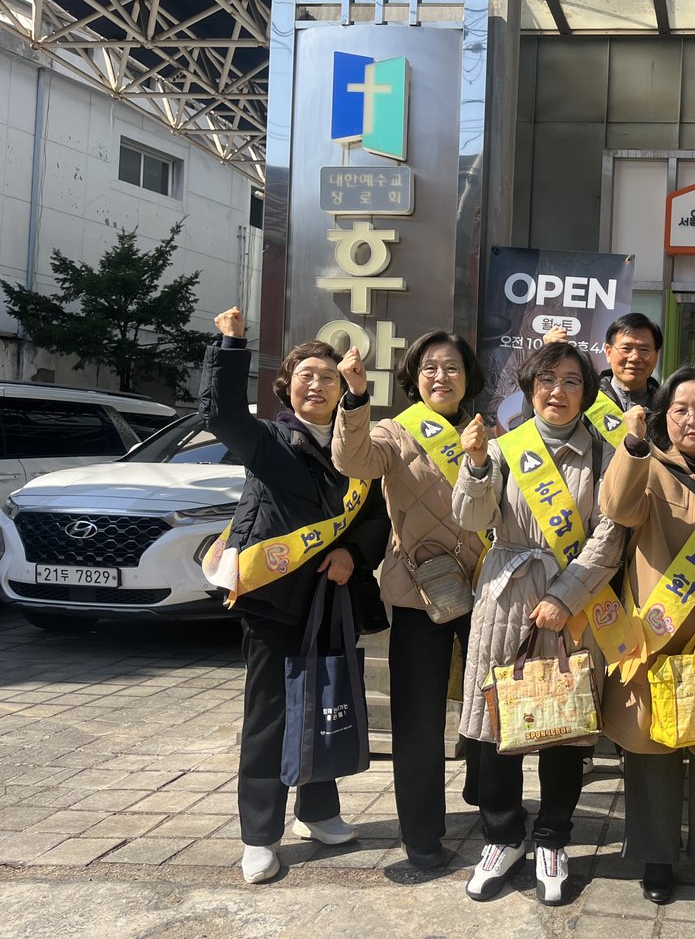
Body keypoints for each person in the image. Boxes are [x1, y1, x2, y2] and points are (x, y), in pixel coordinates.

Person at [200, 307, 389, 885]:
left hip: (331, 598)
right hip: (274, 600)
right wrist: (231, 345)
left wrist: (352, 553)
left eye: (328, 377)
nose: (317, 384)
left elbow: (375, 519)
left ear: (343, 388)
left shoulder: (357, 450)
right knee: (270, 715)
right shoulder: (268, 440)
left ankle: (319, 811)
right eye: (307, 375)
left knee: (323, 700)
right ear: (287, 386)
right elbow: (221, 413)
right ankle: (260, 835)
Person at [452, 341, 626, 906]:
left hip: (572, 607)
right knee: (497, 727)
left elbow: (610, 537)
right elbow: (472, 518)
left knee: (564, 729)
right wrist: (476, 466)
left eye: (572, 381)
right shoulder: (505, 448)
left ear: (587, 392)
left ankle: (552, 839)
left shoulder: (603, 454)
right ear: (529, 389)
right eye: (547, 380)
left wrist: (565, 596)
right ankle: (502, 837)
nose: (558, 392)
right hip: (504, 602)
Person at [330, 331, 488, 870]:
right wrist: (355, 397)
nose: (441, 377)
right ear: (414, 378)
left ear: (468, 377)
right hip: (421, 590)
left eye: (452, 367)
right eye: (430, 368)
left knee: (491, 704)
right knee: (419, 719)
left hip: (485, 589)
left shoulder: (487, 431)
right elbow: (353, 460)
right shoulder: (393, 431)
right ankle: (421, 833)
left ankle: (491, 804)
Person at [598, 366, 695, 905]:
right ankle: (656, 854)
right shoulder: (649, 465)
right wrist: (633, 444)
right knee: (651, 746)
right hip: (655, 632)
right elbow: (616, 508)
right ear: (665, 416)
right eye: (680, 409)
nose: (692, 418)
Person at [542, 312, 663, 444]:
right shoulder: (583, 396)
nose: (634, 357)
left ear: (656, 356)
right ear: (608, 352)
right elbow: (539, 423)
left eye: (644, 350)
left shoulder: (666, 406)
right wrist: (549, 358)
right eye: (626, 348)